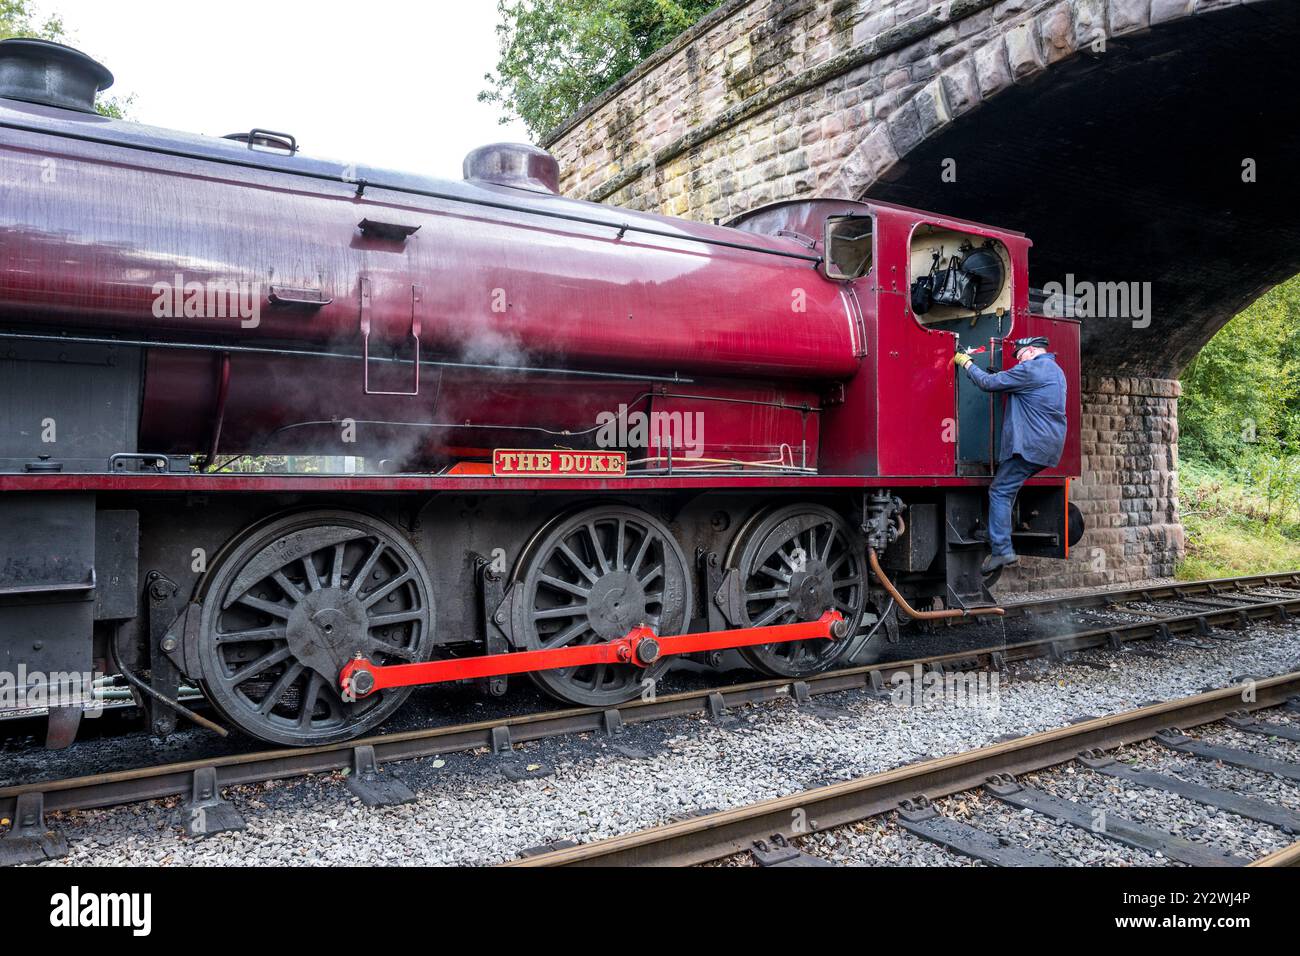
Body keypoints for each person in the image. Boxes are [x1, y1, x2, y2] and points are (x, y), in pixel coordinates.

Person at [952, 336, 1067, 574]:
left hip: (1030, 445)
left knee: (1000, 490)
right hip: (1047, 447)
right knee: (1008, 488)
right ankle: (996, 531)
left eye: (1020, 355)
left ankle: (1002, 550)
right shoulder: (1055, 370)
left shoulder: (1031, 368)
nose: (1018, 361)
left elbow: (986, 383)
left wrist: (965, 362)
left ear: (1032, 350)